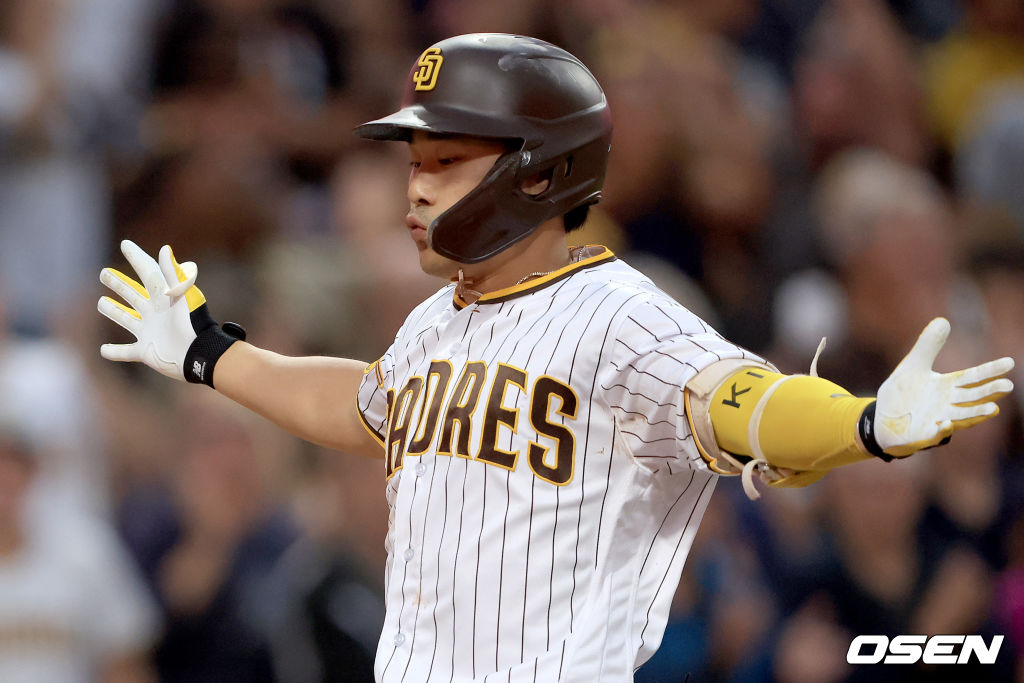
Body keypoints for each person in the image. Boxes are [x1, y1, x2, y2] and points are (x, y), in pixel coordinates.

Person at [97, 33, 1014, 682]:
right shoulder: (438, 320)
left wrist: (859, 426)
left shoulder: (618, 314)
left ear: (539, 173)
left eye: (445, 159)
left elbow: (741, 402)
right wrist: (211, 355)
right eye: (415, 160)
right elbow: (361, 402)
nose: (414, 186)